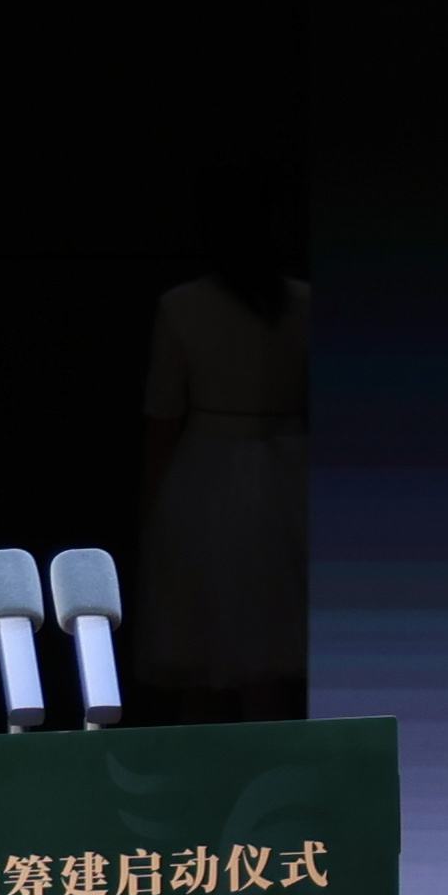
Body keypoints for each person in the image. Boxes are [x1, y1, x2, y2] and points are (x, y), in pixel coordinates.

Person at [138, 175, 312, 726]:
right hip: (287, 470)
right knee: (249, 640)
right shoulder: (304, 303)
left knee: (214, 641)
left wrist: (152, 510)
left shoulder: (182, 305)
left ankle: (219, 765)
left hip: (210, 475)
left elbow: (163, 416)